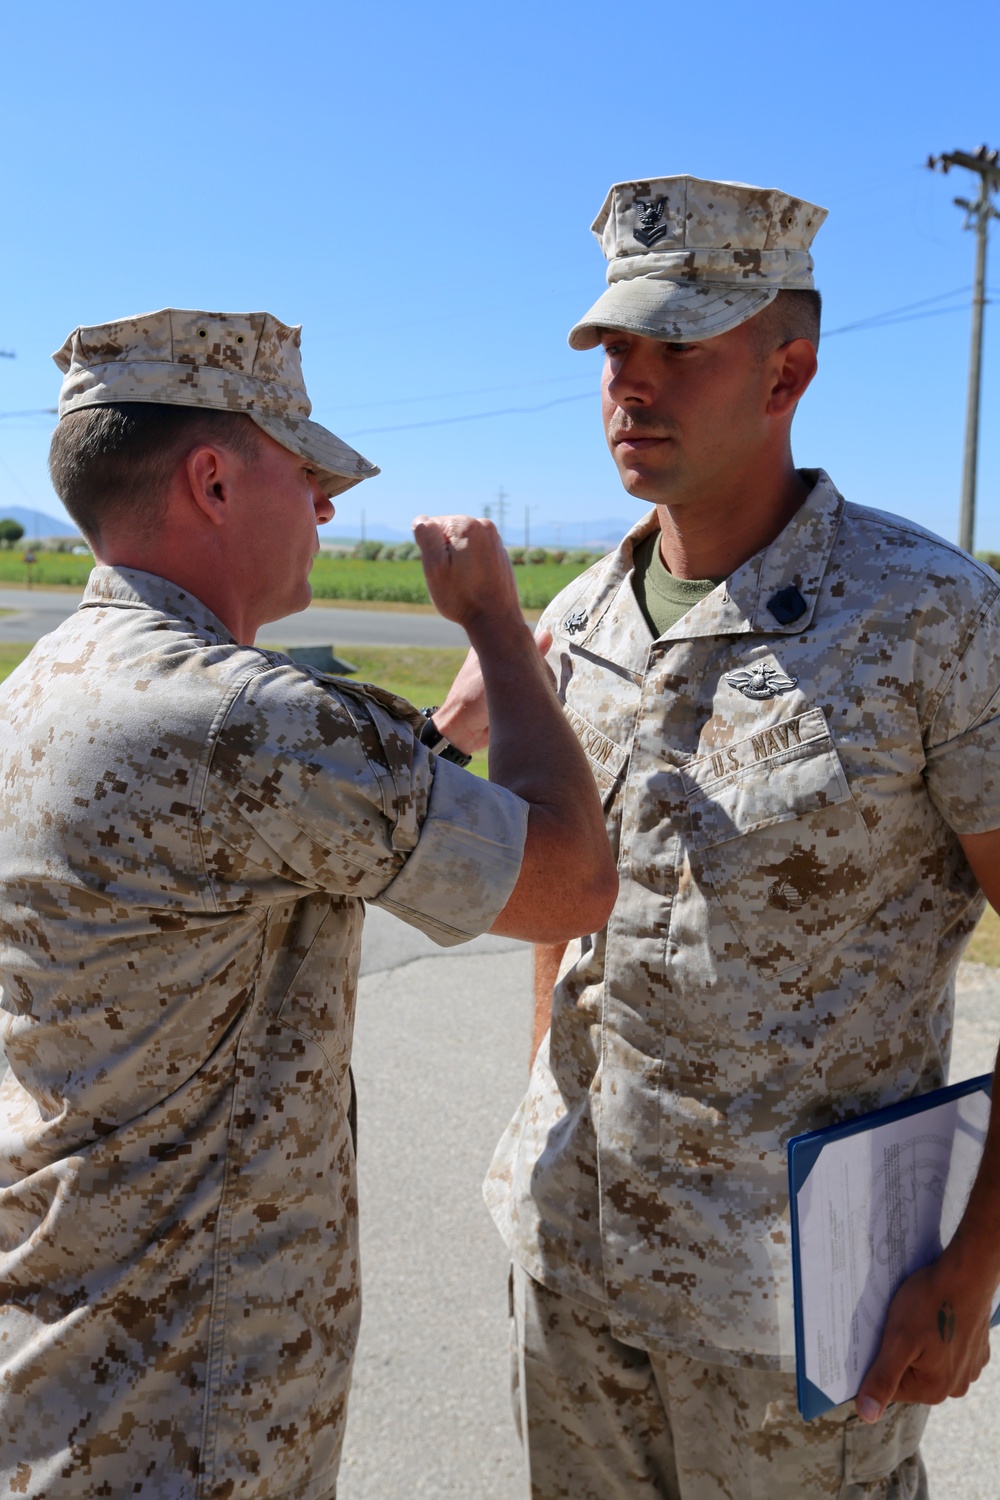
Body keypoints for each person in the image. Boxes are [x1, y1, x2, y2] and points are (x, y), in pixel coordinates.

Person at [435, 176, 1000, 1498]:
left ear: (787, 367)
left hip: (800, 1315)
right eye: (615, 351)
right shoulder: (577, 619)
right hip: (576, 1274)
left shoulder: (936, 620)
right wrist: (539, 1108)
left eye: (678, 346)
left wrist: (973, 1267)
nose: (634, 384)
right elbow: (569, 899)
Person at [0, 307, 617, 1499]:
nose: (330, 508)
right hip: (190, 1412)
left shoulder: (52, 683)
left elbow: (246, 852)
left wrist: (432, 741)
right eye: (306, 470)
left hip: (68, 1368)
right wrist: (497, 626)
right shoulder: (251, 722)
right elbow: (569, 882)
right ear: (216, 480)